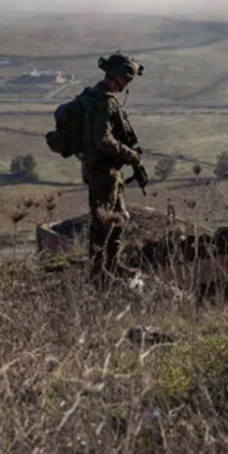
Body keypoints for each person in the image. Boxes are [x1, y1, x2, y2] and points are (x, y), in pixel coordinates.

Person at [78, 53, 147, 287]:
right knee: (102, 223)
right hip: (102, 172)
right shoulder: (104, 102)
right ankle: (97, 274)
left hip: (104, 169)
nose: (127, 84)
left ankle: (112, 264)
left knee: (120, 217)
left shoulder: (93, 96)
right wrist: (130, 155)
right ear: (117, 77)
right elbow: (103, 140)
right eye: (127, 79)